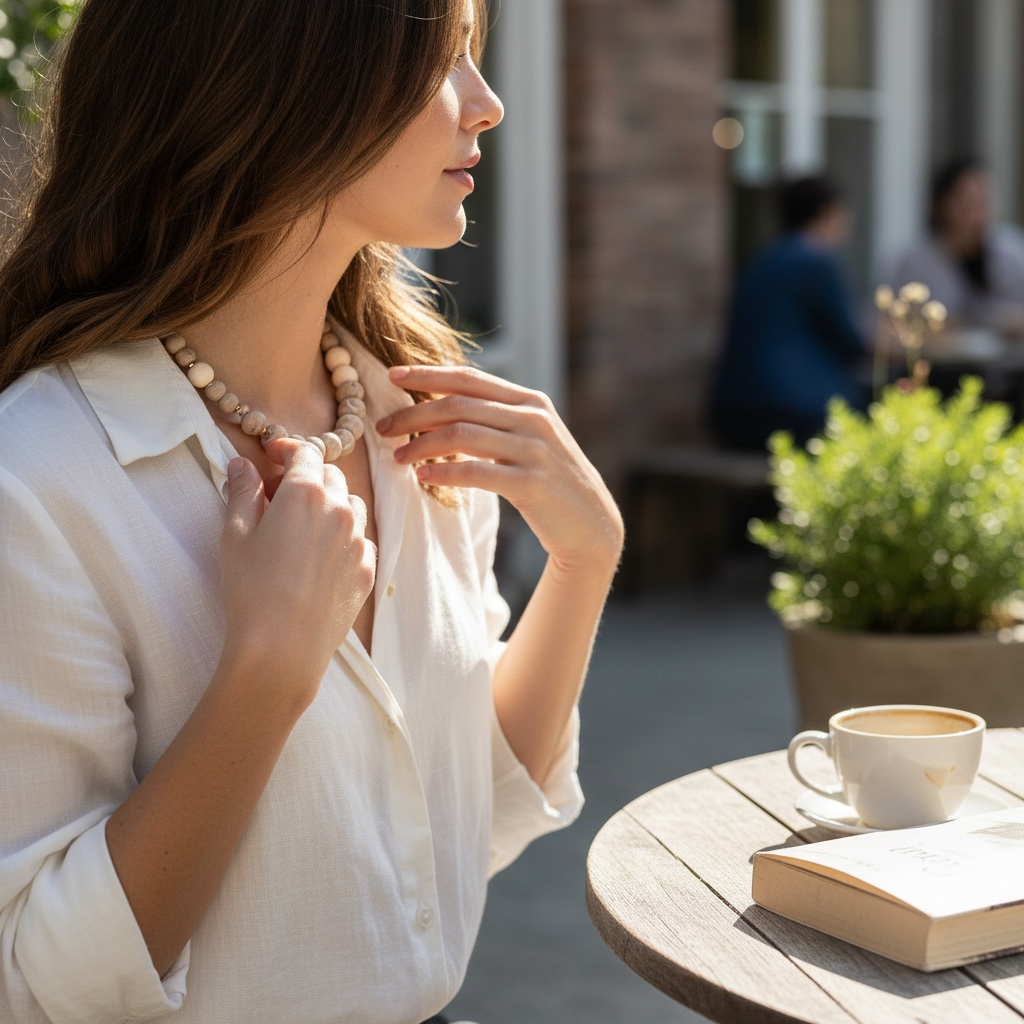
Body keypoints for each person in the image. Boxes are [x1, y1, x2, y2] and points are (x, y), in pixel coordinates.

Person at [0, 2, 624, 1023]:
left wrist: (585, 560)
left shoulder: (420, 421)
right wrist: (266, 672)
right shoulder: (37, 479)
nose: (488, 103)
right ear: (285, 80)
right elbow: (35, 986)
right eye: (442, 60)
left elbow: (470, 822)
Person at [710, 174, 869, 450]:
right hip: (793, 413)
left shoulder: (761, 259)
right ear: (825, 213)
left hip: (731, 412)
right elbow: (853, 342)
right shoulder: (816, 260)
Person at [892, 158, 1024, 337]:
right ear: (941, 205)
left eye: (983, 203)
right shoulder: (915, 263)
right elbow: (891, 325)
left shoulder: (1012, 254)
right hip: (935, 363)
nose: (977, 215)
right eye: (967, 203)